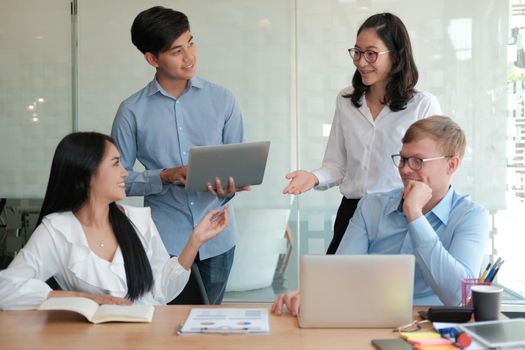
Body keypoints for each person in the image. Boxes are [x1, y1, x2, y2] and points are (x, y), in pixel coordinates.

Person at [273, 116, 489, 315]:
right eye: (403, 159)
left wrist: (415, 216)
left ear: (451, 165)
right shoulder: (371, 206)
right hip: (369, 318)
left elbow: (460, 295)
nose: (405, 169)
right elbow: (342, 271)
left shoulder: (471, 216)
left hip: (434, 329)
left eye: (417, 161)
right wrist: (312, 294)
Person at [0, 132, 229, 310]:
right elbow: (6, 288)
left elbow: (160, 293)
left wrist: (195, 241)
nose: (125, 173)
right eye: (115, 164)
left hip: (149, 336)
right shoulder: (58, 230)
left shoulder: (137, 221)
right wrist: (82, 299)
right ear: (85, 174)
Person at [111, 6, 247, 304]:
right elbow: (116, 180)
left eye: (191, 43)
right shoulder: (132, 111)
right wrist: (165, 176)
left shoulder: (223, 100)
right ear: (152, 59)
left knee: (208, 328)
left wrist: (231, 187)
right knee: (165, 329)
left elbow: (238, 164)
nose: (190, 57)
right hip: (164, 242)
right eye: (176, 51)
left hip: (218, 239)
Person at [283, 13, 441, 254]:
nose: (361, 61)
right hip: (352, 212)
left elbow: (431, 171)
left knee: (389, 289)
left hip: (397, 214)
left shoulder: (422, 105)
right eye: (357, 52)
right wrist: (313, 177)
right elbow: (337, 166)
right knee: (336, 284)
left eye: (371, 53)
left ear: (396, 55)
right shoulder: (346, 101)